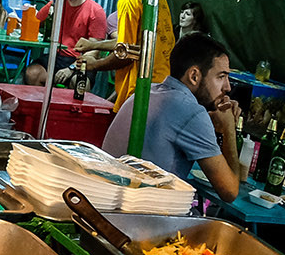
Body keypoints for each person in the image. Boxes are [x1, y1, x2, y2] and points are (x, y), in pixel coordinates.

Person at [100, 32, 241, 200]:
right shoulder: (193, 113)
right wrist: (229, 128)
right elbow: (230, 192)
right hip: (135, 215)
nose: (227, 87)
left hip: (106, 198)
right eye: (221, 76)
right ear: (194, 76)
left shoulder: (147, 91)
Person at [87, 0, 174, 107]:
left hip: (139, 89)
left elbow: (126, 53)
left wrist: (94, 65)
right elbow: (135, 43)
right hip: (162, 84)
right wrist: (93, 45)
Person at [41, 0, 109, 70]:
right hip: (55, 57)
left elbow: (94, 49)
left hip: (80, 60)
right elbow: (35, 22)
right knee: (33, 73)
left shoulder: (95, 10)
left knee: (79, 83)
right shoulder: (56, 4)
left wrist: (72, 67)